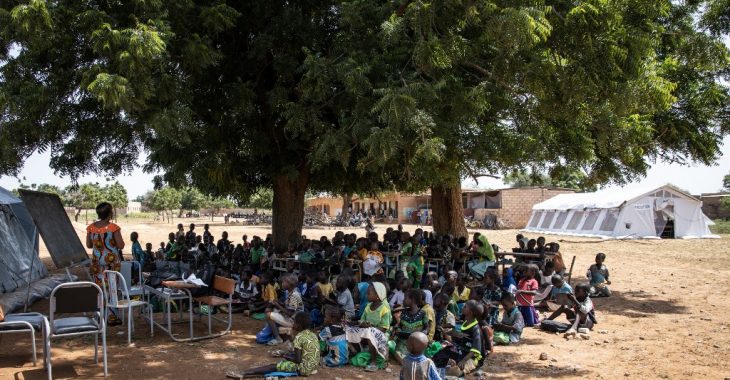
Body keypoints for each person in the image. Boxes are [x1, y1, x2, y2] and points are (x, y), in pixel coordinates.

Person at [228, 312, 319, 378]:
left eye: (294, 322)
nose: (293, 324)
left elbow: (298, 360)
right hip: (313, 366)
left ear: (299, 325)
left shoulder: (299, 337)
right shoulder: (312, 334)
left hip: (304, 369)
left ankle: (243, 373)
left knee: (273, 366)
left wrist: (284, 355)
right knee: (288, 355)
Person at [86, 202, 125, 325]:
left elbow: (89, 245)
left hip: (97, 263)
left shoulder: (91, 228)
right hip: (112, 263)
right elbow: (121, 245)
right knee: (112, 288)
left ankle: (99, 316)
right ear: (110, 213)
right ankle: (112, 317)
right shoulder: (114, 228)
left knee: (99, 288)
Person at [432, 300, 483, 376]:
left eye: (465, 306)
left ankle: (443, 371)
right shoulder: (466, 322)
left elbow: (475, 350)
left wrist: (464, 360)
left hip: (470, 357)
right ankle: (444, 366)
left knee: (457, 371)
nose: (463, 307)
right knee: (439, 354)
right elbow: (461, 337)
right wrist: (447, 333)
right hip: (460, 351)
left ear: (470, 312)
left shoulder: (476, 329)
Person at [393, 289, 431, 364]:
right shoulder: (403, 312)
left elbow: (427, 327)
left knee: (420, 353)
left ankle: (410, 362)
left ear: (412, 300)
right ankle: (409, 362)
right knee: (397, 353)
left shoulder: (422, 313)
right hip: (404, 342)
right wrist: (397, 328)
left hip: (417, 343)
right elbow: (400, 325)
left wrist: (424, 332)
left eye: (405, 298)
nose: (403, 300)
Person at [265, 273, 304, 346]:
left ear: (290, 284)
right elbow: (288, 307)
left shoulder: (294, 295)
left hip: (294, 321)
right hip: (293, 318)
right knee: (274, 310)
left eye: (284, 282)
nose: (282, 284)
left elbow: (290, 313)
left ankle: (278, 338)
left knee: (268, 315)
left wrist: (277, 305)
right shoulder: (290, 292)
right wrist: (278, 303)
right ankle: (277, 333)